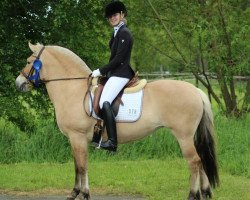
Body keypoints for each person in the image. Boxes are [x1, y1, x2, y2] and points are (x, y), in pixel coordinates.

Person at [91, 1, 135, 152]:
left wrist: (100, 71)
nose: (112, 18)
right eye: (110, 17)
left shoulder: (125, 33)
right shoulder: (116, 33)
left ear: (122, 14)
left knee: (104, 101)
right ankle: (98, 136)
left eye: (115, 15)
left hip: (121, 73)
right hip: (115, 73)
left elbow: (119, 59)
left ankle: (112, 142)